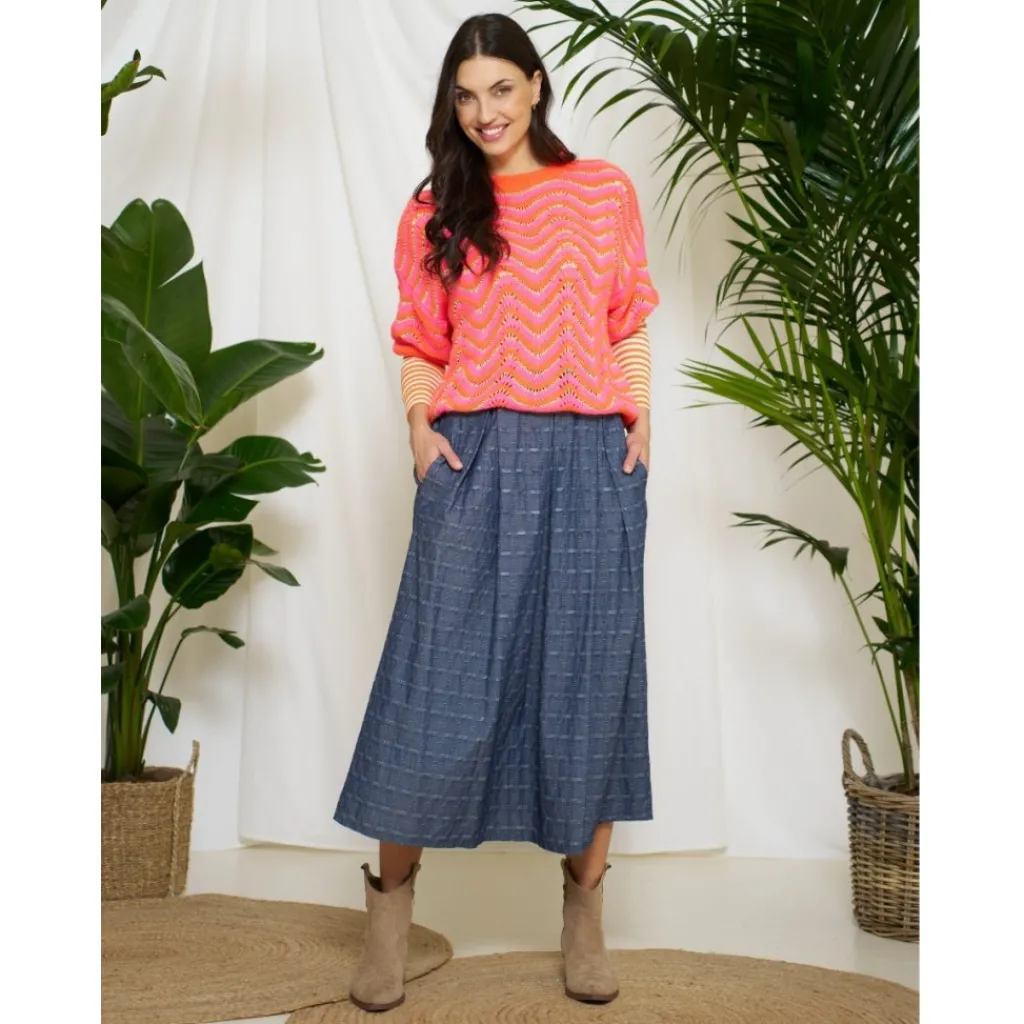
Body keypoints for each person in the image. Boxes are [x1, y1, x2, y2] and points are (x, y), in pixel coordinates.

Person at [334, 11, 658, 1013]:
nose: (486, 112)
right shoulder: (436, 206)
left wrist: (639, 418)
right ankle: (388, 917)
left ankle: (583, 913)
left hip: (591, 456)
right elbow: (418, 341)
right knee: (433, 688)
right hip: (474, 456)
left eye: (502, 89)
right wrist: (418, 427)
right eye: (467, 96)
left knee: (588, 684)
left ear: (535, 84)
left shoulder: (601, 190)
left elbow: (627, 318)